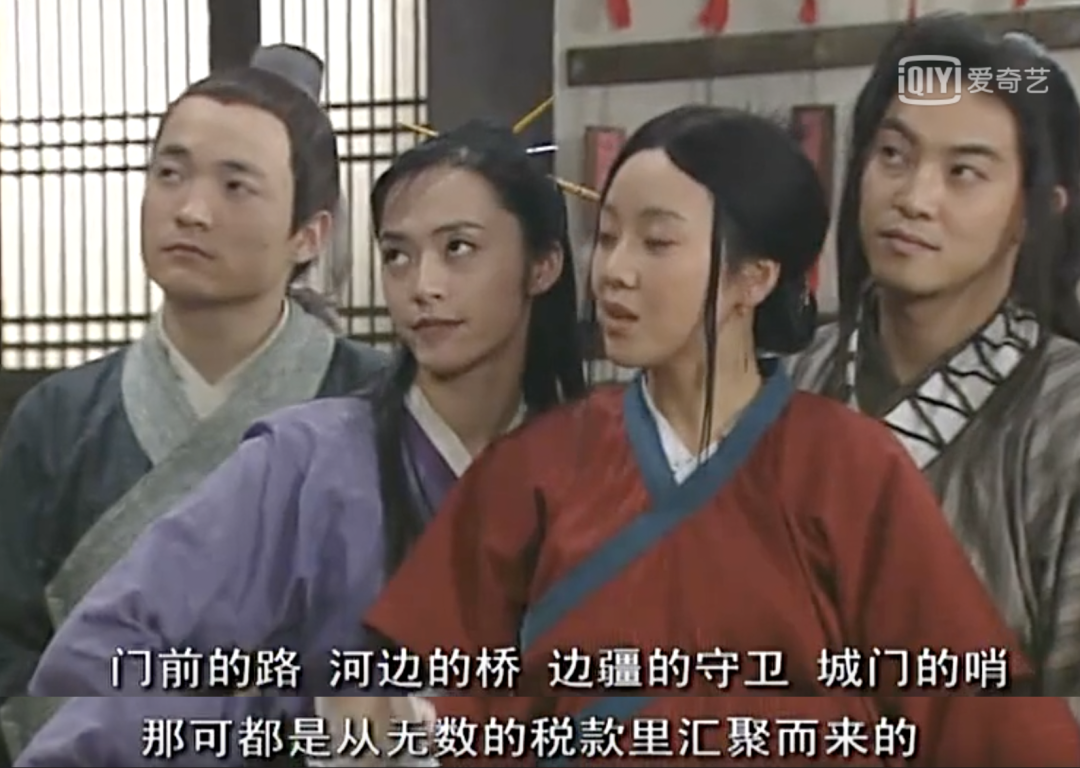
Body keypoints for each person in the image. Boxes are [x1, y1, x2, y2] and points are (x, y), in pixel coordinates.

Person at [330, 105, 1080, 766]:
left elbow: (967, 709)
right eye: (608, 237)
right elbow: (437, 684)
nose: (613, 272)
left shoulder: (849, 467)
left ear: (754, 278)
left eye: (656, 243)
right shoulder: (534, 470)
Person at [13, 119, 587, 766]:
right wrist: (309, 723)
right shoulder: (309, 462)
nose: (422, 285)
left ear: (543, 265)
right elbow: (106, 657)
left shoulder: (600, 471)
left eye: (458, 248)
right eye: (397, 255)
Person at [0, 45, 388, 760]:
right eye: (170, 174)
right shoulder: (57, 417)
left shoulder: (379, 405)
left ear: (310, 233)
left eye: (236, 186)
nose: (191, 210)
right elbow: (11, 647)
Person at [788, 15, 1080, 709]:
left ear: (1035, 211)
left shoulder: (1066, 418)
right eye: (893, 154)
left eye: (963, 173)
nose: (914, 199)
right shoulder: (783, 385)